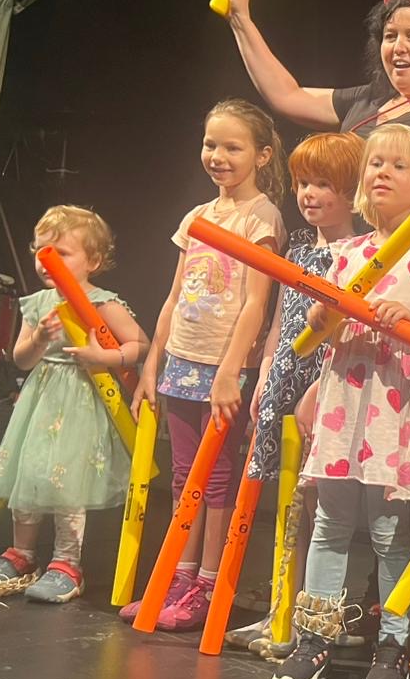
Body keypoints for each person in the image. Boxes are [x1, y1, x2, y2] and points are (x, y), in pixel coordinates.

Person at [271, 123, 410, 679]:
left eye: (398, 166)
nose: (382, 172)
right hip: (344, 404)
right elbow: (327, 333)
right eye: (376, 163)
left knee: (388, 531)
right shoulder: (349, 254)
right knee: (330, 524)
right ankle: (315, 637)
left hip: (395, 408)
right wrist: (322, 320)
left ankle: (393, 642)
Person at [216, 0, 410, 331]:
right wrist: (240, 18)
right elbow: (286, 95)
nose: (398, 47)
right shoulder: (365, 101)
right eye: (390, 36)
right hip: (348, 271)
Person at [122, 99, 288, 632]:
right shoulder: (196, 216)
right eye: (210, 144)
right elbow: (175, 296)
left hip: (223, 365)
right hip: (182, 359)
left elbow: (257, 302)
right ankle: (178, 573)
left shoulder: (261, 217)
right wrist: (153, 365)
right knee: (182, 476)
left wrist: (231, 370)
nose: (218, 156)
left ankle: (209, 582)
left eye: (232, 147)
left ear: (262, 155)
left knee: (215, 478)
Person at [224, 132, 365, 657]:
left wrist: (318, 391)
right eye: (303, 183)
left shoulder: (358, 254)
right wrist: (265, 372)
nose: (308, 194)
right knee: (283, 502)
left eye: (323, 184)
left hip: (324, 385)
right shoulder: (300, 248)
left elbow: (342, 334)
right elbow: (283, 318)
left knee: (314, 504)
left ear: (352, 193)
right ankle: (279, 609)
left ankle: (310, 616)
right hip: (284, 376)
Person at [0, 206, 147, 604]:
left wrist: (104, 356)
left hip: (80, 401)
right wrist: (38, 339)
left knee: (67, 484)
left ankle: (67, 563)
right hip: (42, 401)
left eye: (61, 253)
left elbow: (141, 345)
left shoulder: (102, 303)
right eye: (40, 251)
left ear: (93, 261)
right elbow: (21, 359)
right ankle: (20, 553)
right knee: (30, 475)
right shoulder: (37, 304)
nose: (46, 260)